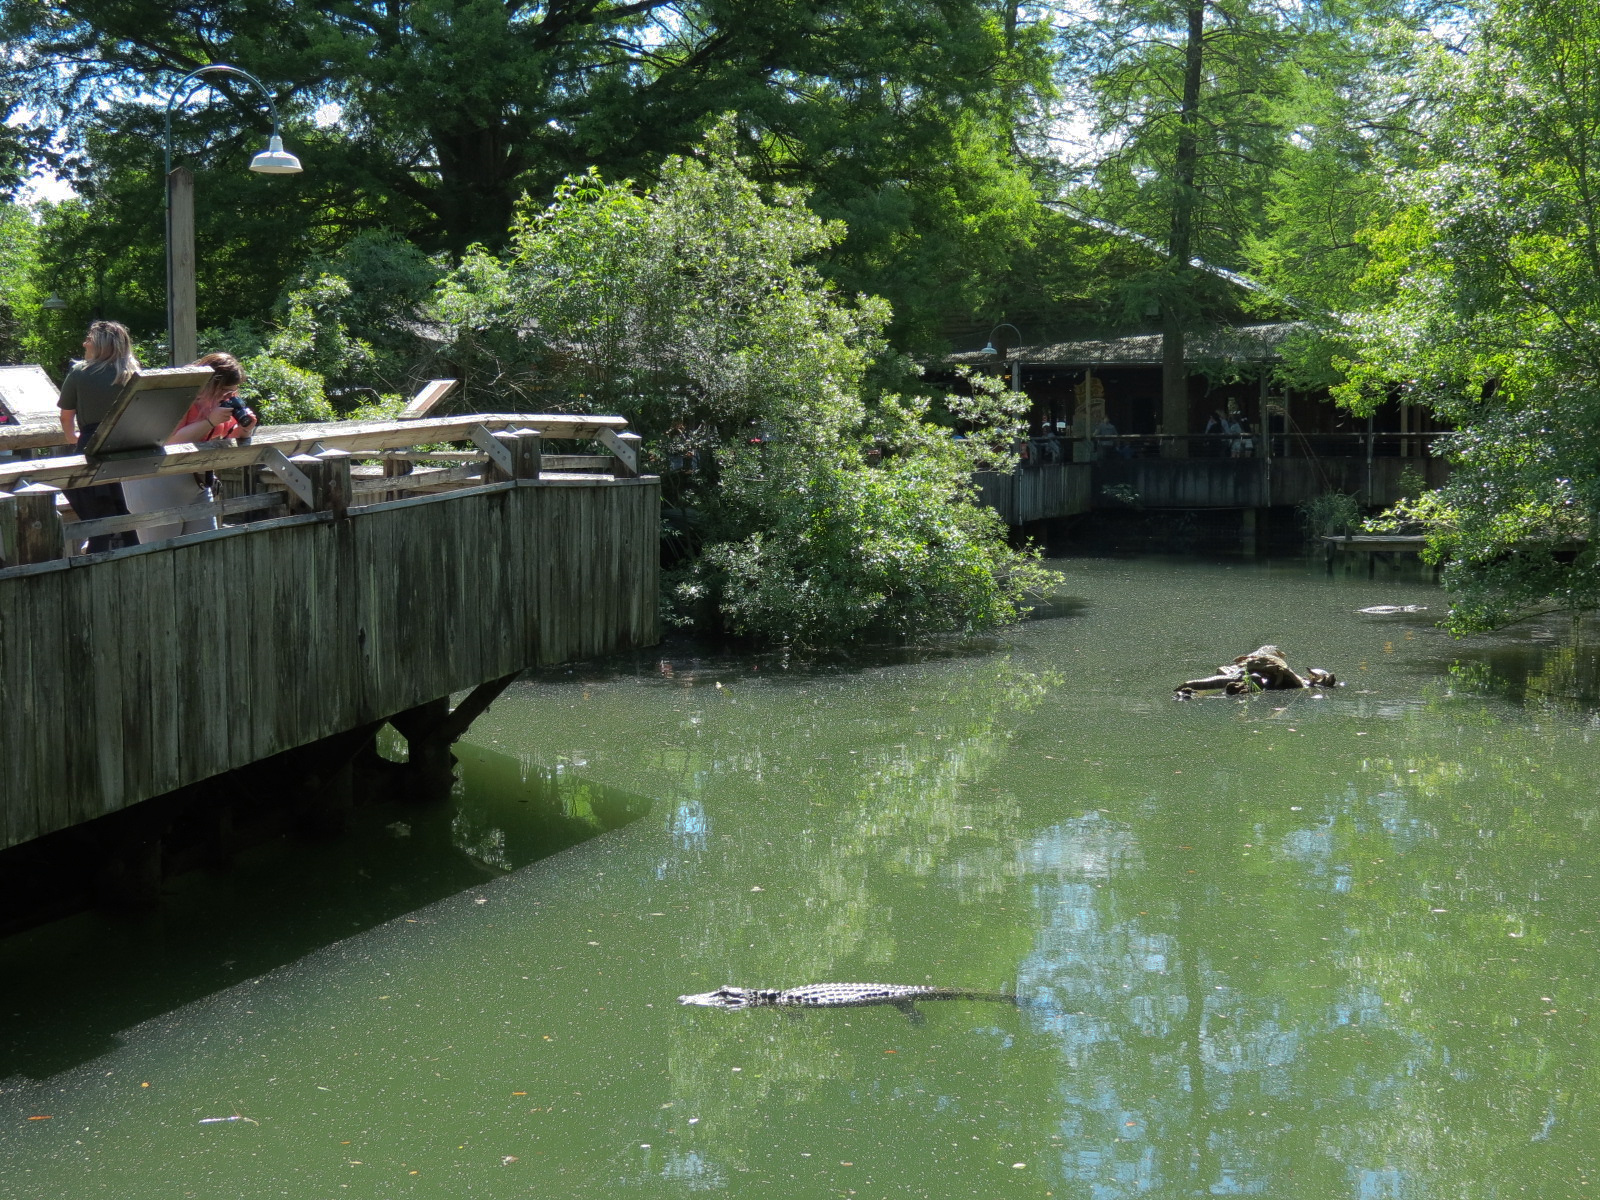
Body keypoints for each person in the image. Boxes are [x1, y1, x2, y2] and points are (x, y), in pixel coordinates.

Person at [122, 352, 259, 544]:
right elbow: (170, 443)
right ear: (210, 384)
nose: (229, 397)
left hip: (197, 483)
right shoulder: (178, 396)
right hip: (157, 483)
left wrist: (245, 429)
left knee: (205, 550)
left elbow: (229, 435)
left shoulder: (219, 403)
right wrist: (210, 421)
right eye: (225, 391)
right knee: (161, 555)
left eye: (233, 392)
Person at [57, 320, 140, 552]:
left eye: (89, 340)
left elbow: (66, 416)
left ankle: (96, 548)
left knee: (90, 506)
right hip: (126, 447)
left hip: (91, 446)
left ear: (101, 345)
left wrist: (71, 436)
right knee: (123, 509)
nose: (84, 344)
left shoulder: (79, 372)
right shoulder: (133, 374)